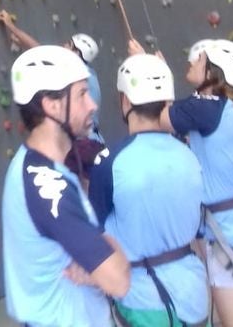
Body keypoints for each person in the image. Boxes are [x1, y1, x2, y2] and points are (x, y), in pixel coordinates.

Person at [131, 38, 233, 327]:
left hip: (229, 234)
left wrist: (151, 70)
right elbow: (182, 115)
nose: (193, 61)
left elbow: (157, 118)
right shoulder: (232, 109)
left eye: (199, 60)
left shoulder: (208, 109)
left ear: (212, 72)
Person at [2, 45, 129, 327]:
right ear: (52, 105)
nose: (92, 104)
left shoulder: (37, 166)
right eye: (82, 94)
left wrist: (97, 263)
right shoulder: (49, 187)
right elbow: (119, 280)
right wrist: (111, 252)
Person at [89, 53, 209, 327]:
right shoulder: (189, 154)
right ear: (167, 101)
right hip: (194, 292)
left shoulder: (109, 161)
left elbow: (95, 233)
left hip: (142, 298)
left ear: (126, 100)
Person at [0, 11, 103, 177]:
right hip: (93, 142)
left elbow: (40, 50)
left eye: (69, 43)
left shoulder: (71, 73)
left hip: (80, 146)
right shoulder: (90, 75)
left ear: (76, 52)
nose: (63, 45)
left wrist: (11, 26)